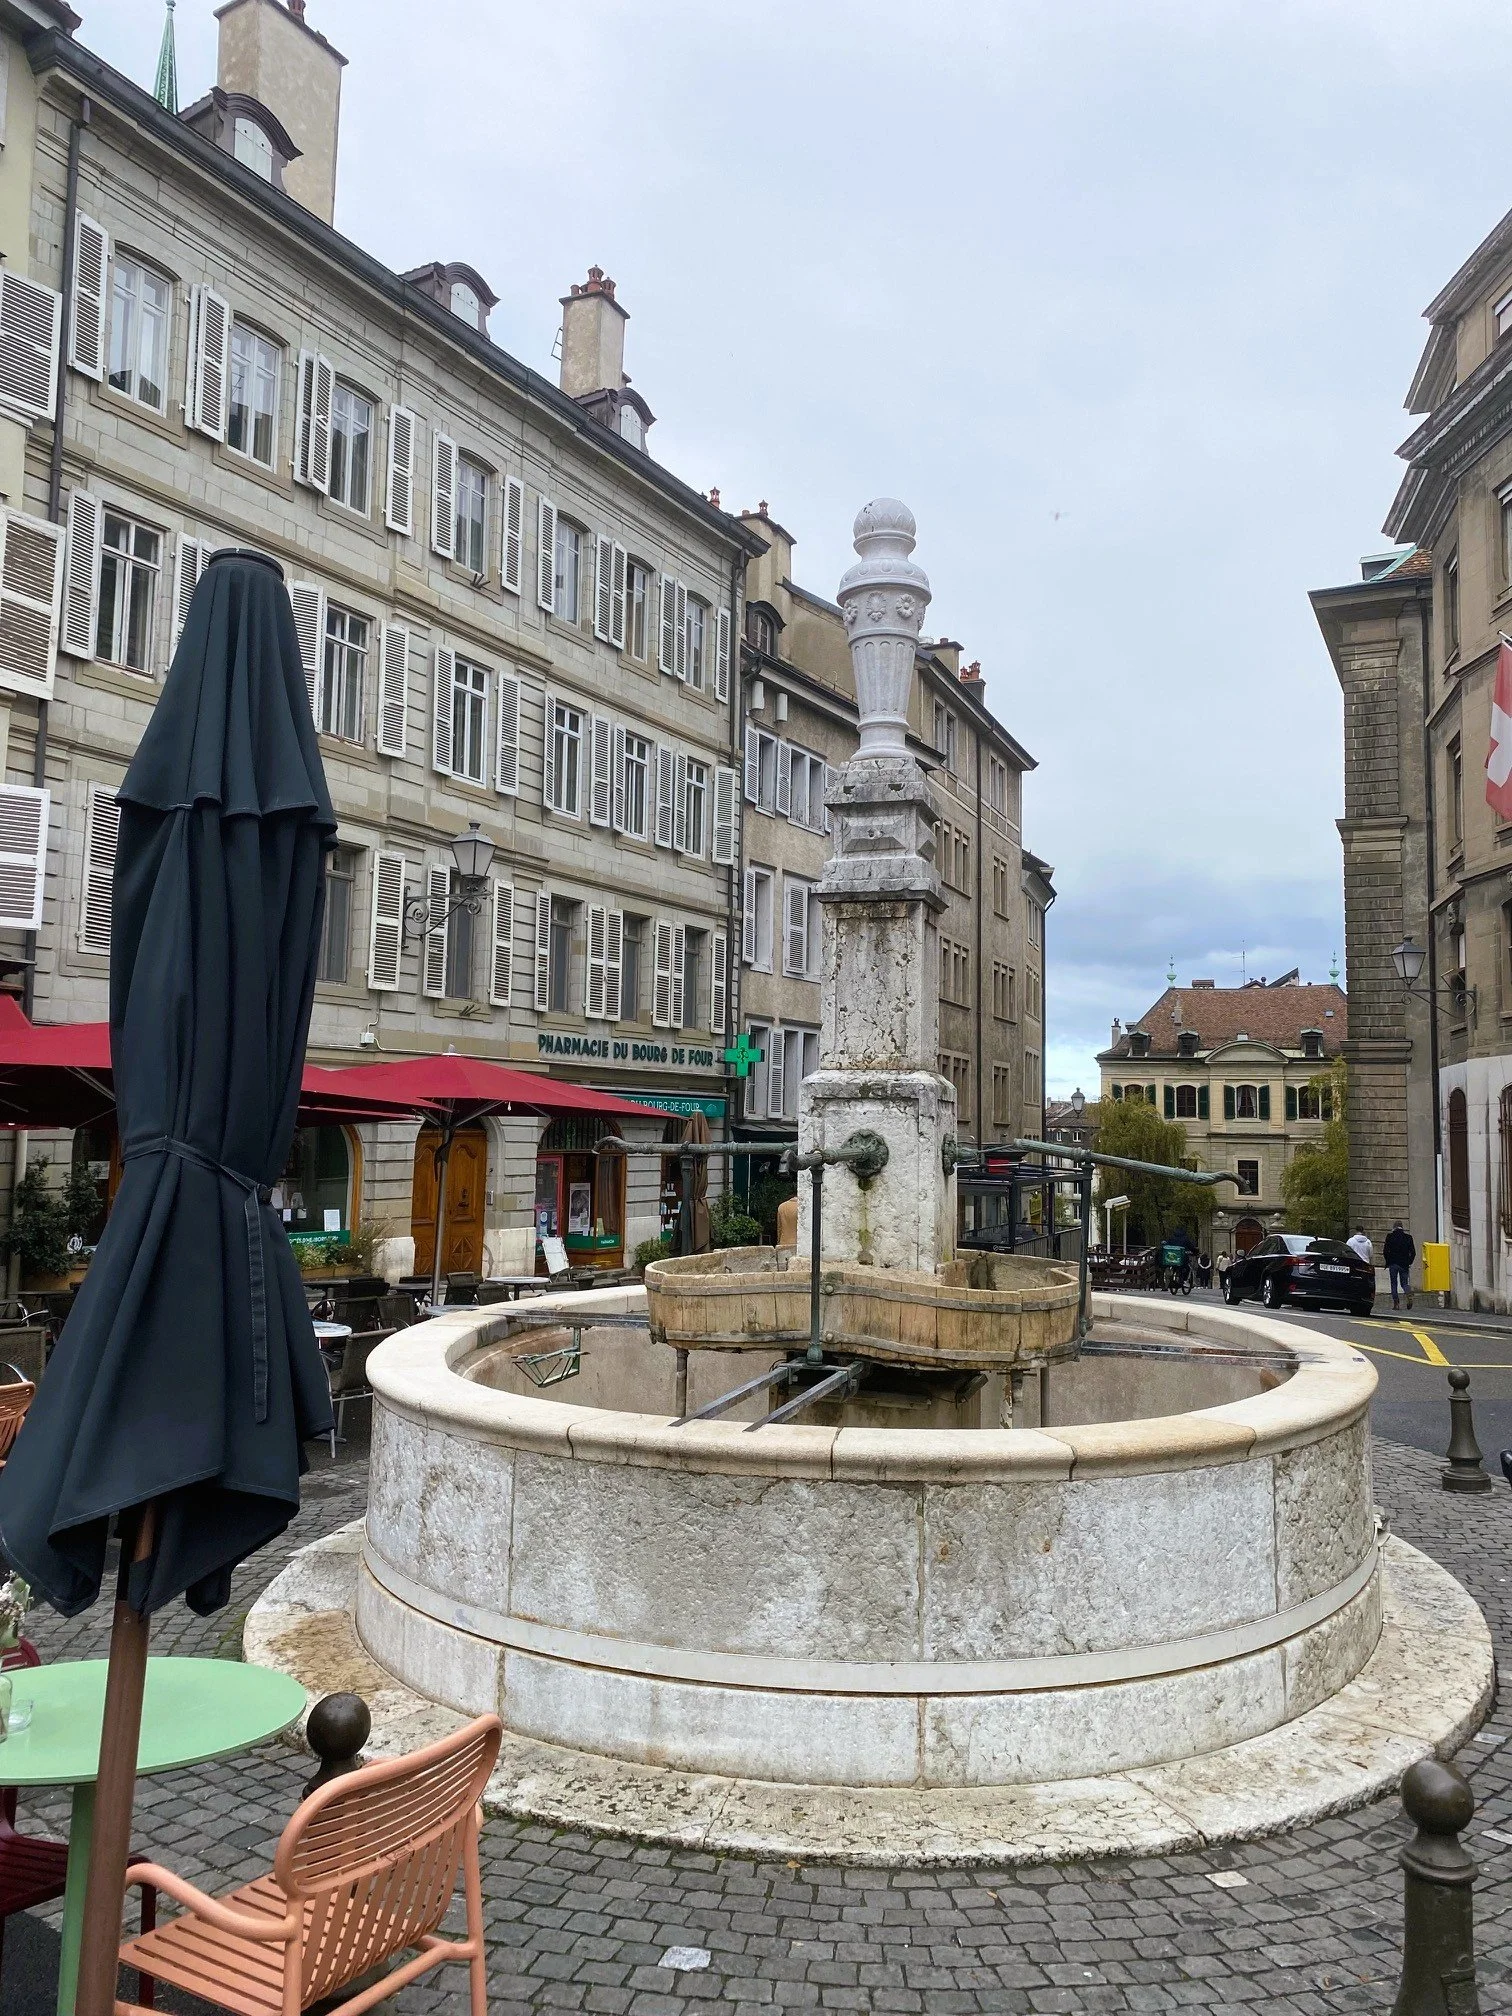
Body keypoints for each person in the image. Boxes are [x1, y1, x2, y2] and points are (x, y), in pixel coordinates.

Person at [1383, 1220, 1416, 1310]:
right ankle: (1408, 1292)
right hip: (1404, 1264)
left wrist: (1388, 1260)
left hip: (1393, 1263)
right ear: (1402, 1227)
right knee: (1404, 1283)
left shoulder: (1390, 1237)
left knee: (1394, 1284)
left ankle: (1396, 1303)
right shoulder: (1408, 1237)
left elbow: (1385, 1251)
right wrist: (1409, 1262)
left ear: (1394, 1227)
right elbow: (1413, 1252)